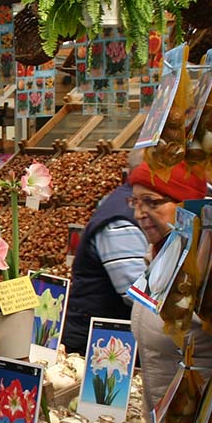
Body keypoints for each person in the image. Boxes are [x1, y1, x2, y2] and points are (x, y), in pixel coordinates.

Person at [124, 162, 211, 423]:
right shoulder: (159, 257)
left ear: (188, 206)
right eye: (135, 201)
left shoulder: (207, 263)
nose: (141, 212)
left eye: (153, 202)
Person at [62, 150, 147, 354]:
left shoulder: (129, 203)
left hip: (110, 338)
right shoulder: (121, 220)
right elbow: (136, 295)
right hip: (93, 342)